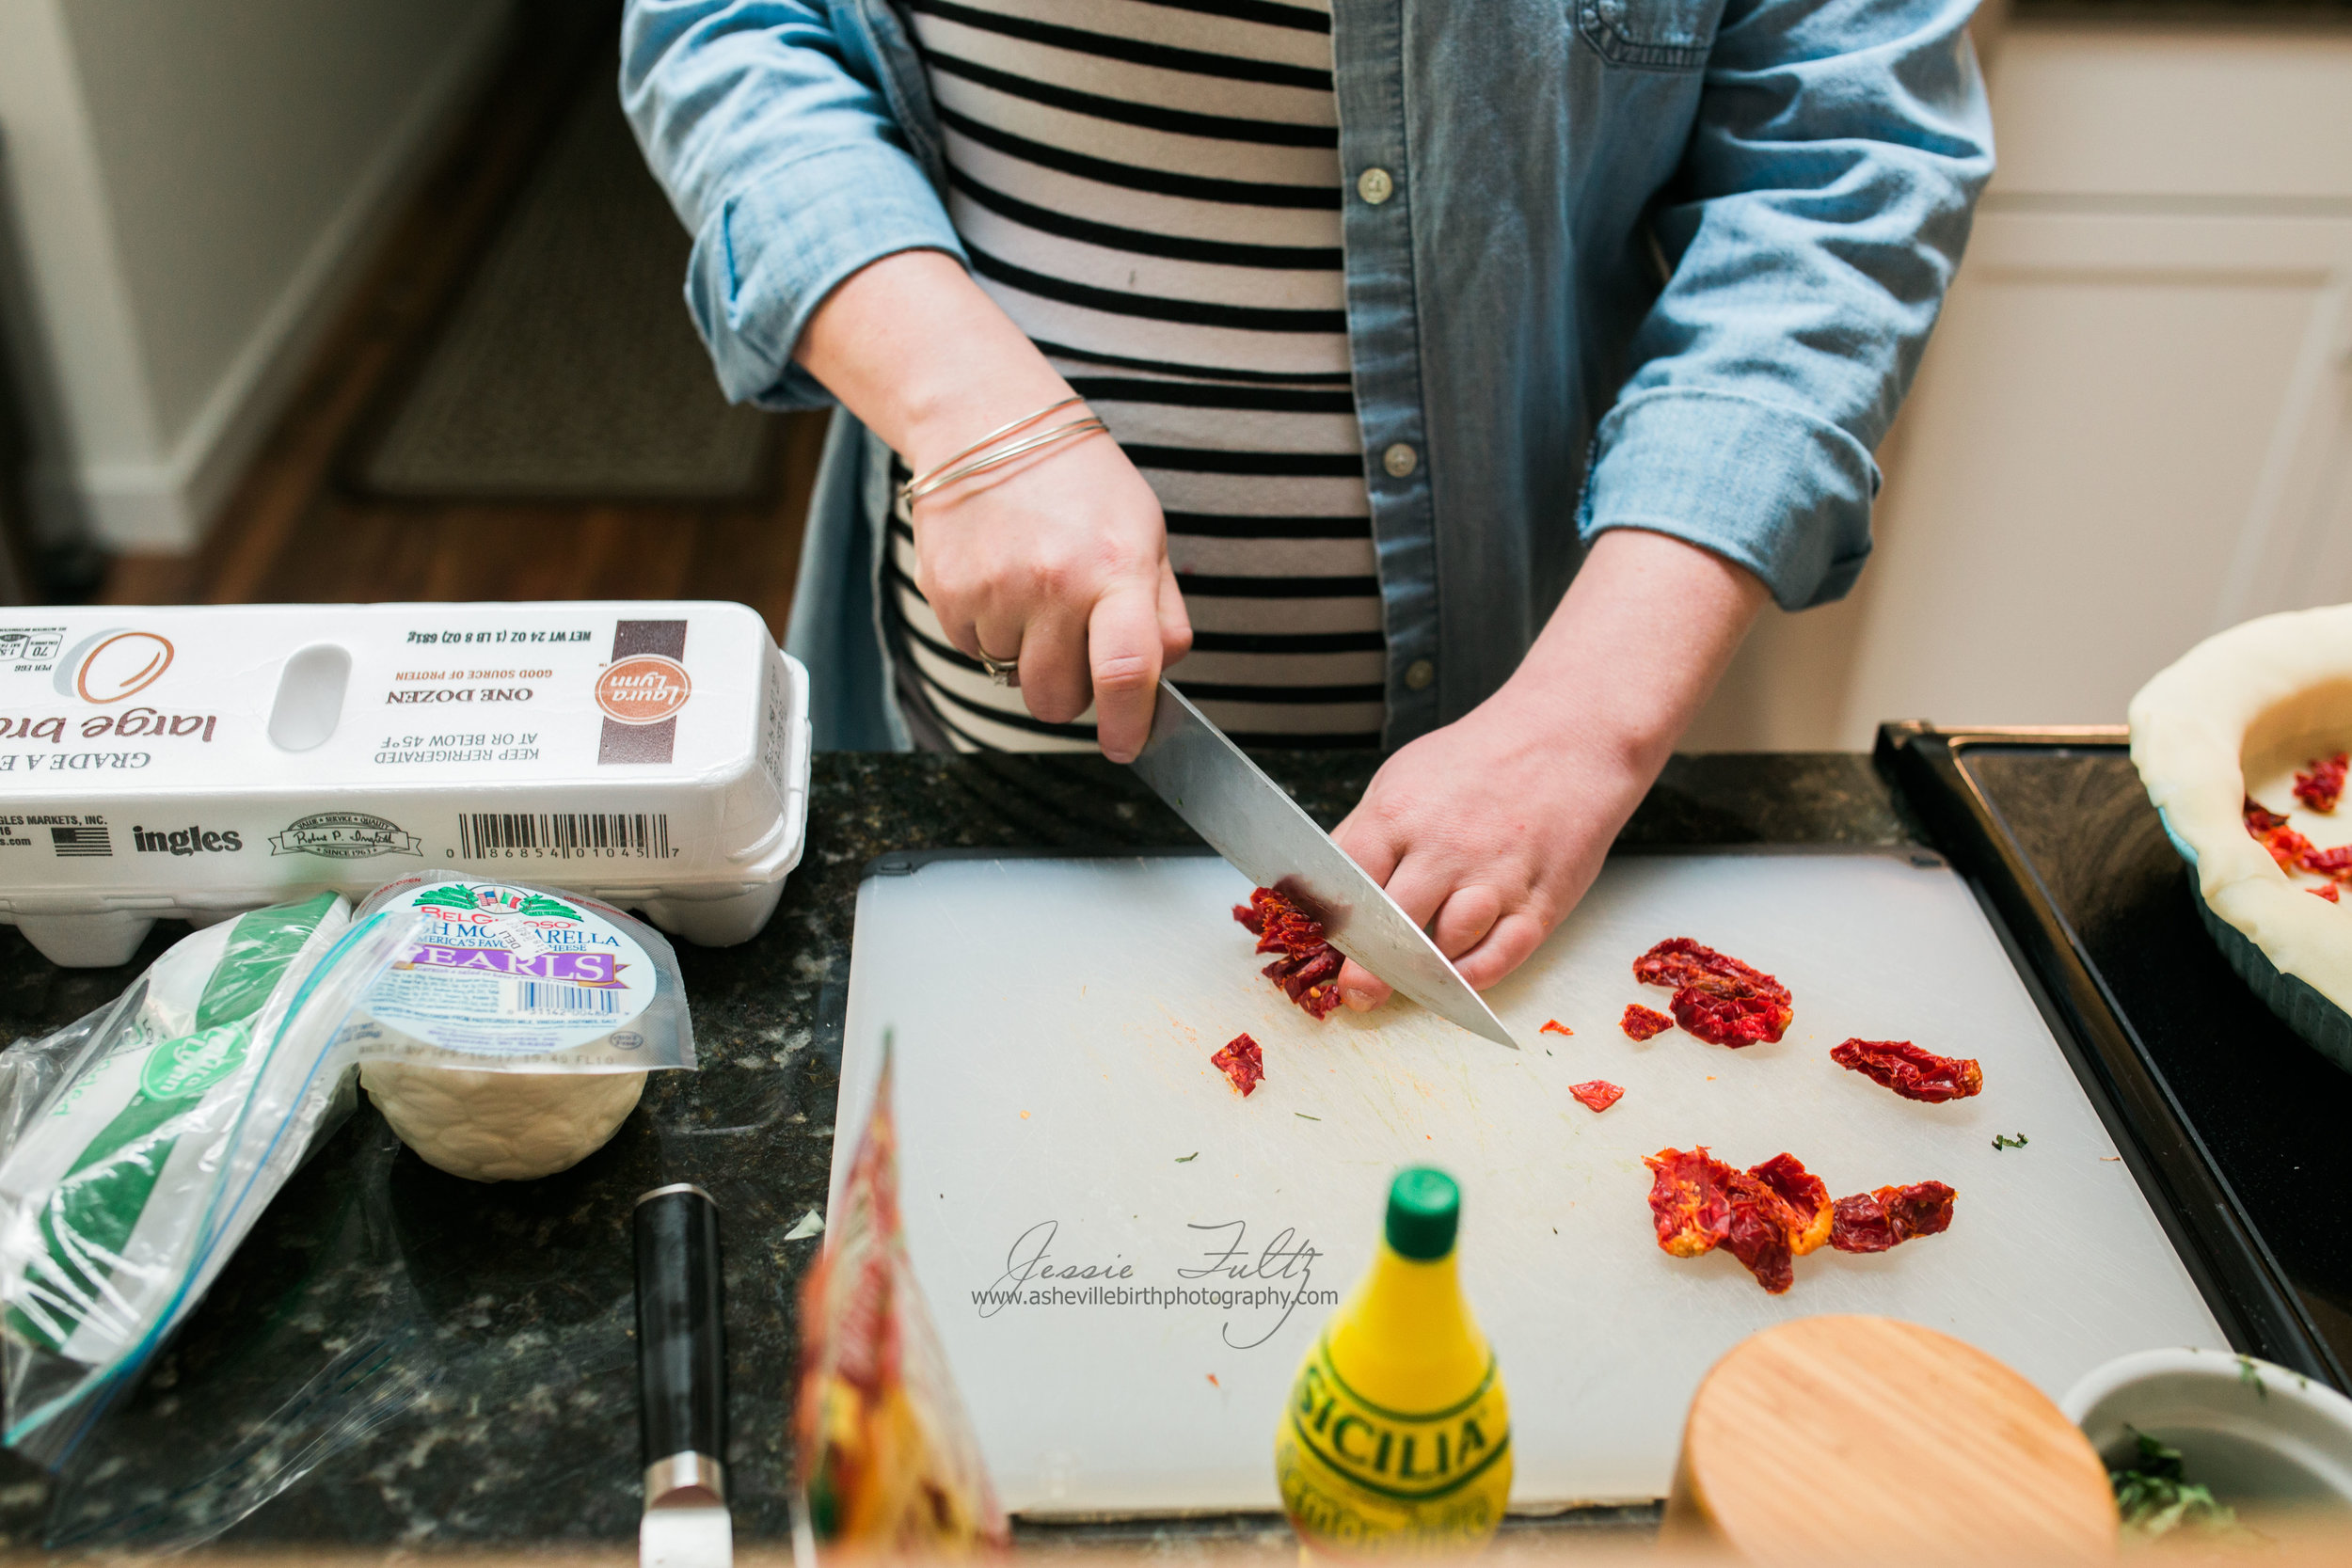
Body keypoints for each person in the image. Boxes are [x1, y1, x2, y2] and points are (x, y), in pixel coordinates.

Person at [623, 0, 1993, 1008]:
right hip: (966, 761)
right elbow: (729, 28)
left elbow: (1845, 167)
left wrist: (1584, 724)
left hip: (1511, 794)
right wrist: (971, 413)